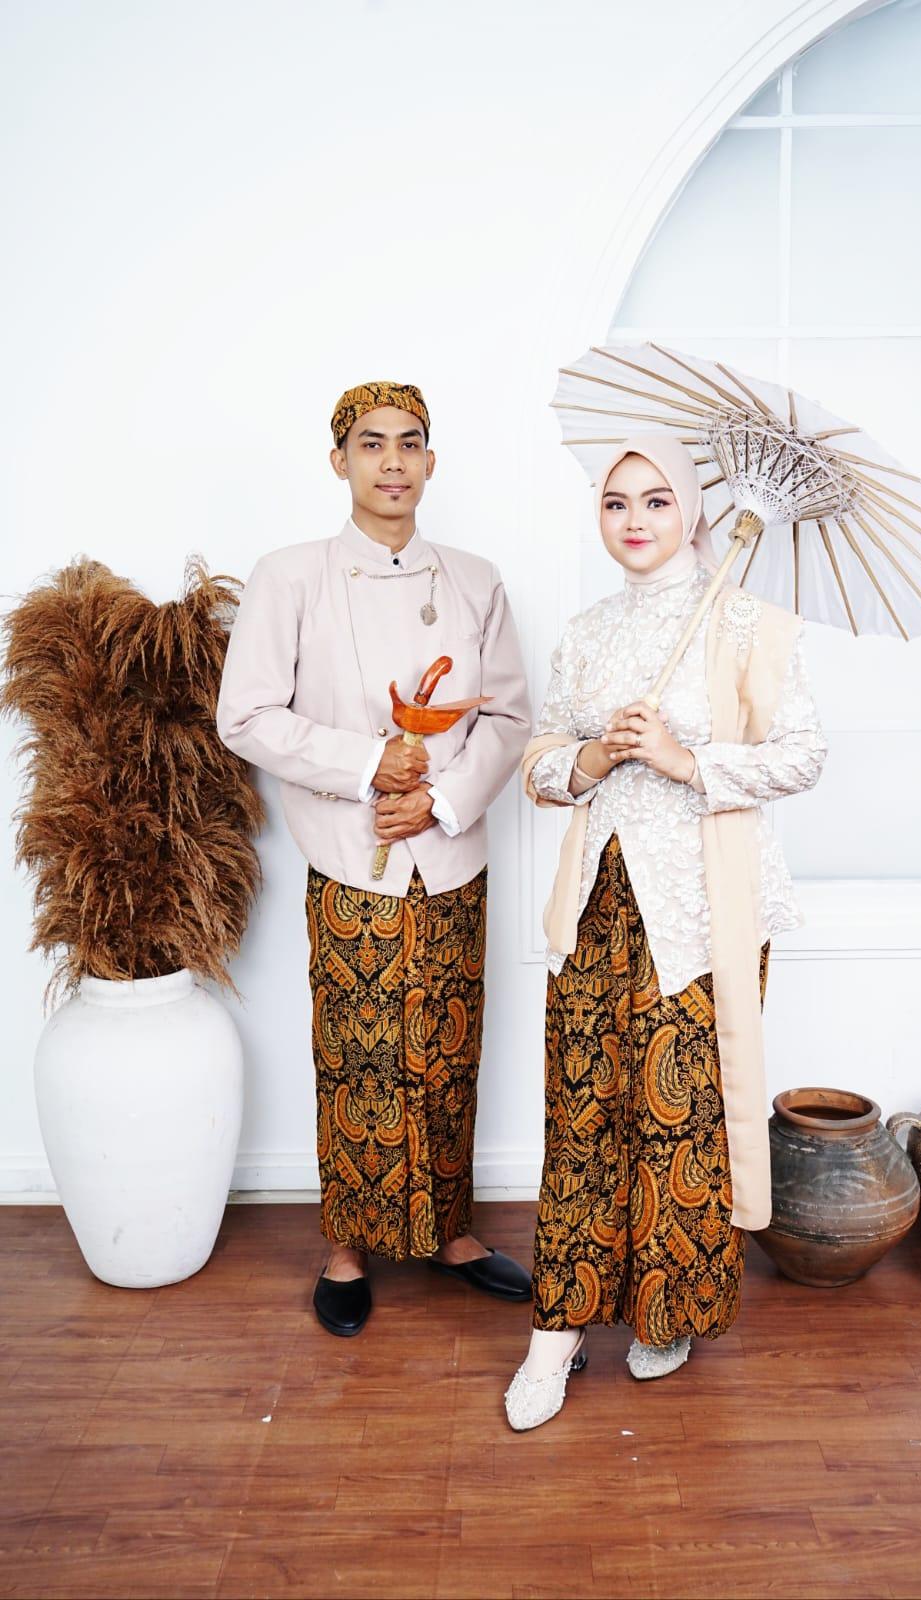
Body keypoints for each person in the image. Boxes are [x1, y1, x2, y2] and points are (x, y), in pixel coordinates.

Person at [505, 433, 826, 1428]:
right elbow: (539, 763)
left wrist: (687, 760)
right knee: (580, 1111)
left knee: (679, 1113)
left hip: (700, 910)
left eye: (655, 500)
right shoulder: (586, 633)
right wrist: (594, 757)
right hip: (596, 904)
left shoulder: (750, 625)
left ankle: (666, 1311)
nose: (635, 520)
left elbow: (804, 755)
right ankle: (556, 1331)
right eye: (616, 502)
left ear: (692, 512)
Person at [217, 381, 533, 1337]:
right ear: (339, 461)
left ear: (431, 463)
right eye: (370, 443)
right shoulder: (291, 577)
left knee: (450, 1047)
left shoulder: (475, 579)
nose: (392, 461)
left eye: (409, 443)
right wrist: (367, 768)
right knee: (358, 1055)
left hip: (451, 855)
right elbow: (246, 715)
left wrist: (438, 797)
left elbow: (509, 717)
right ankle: (347, 1247)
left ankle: (451, 1232)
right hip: (352, 859)